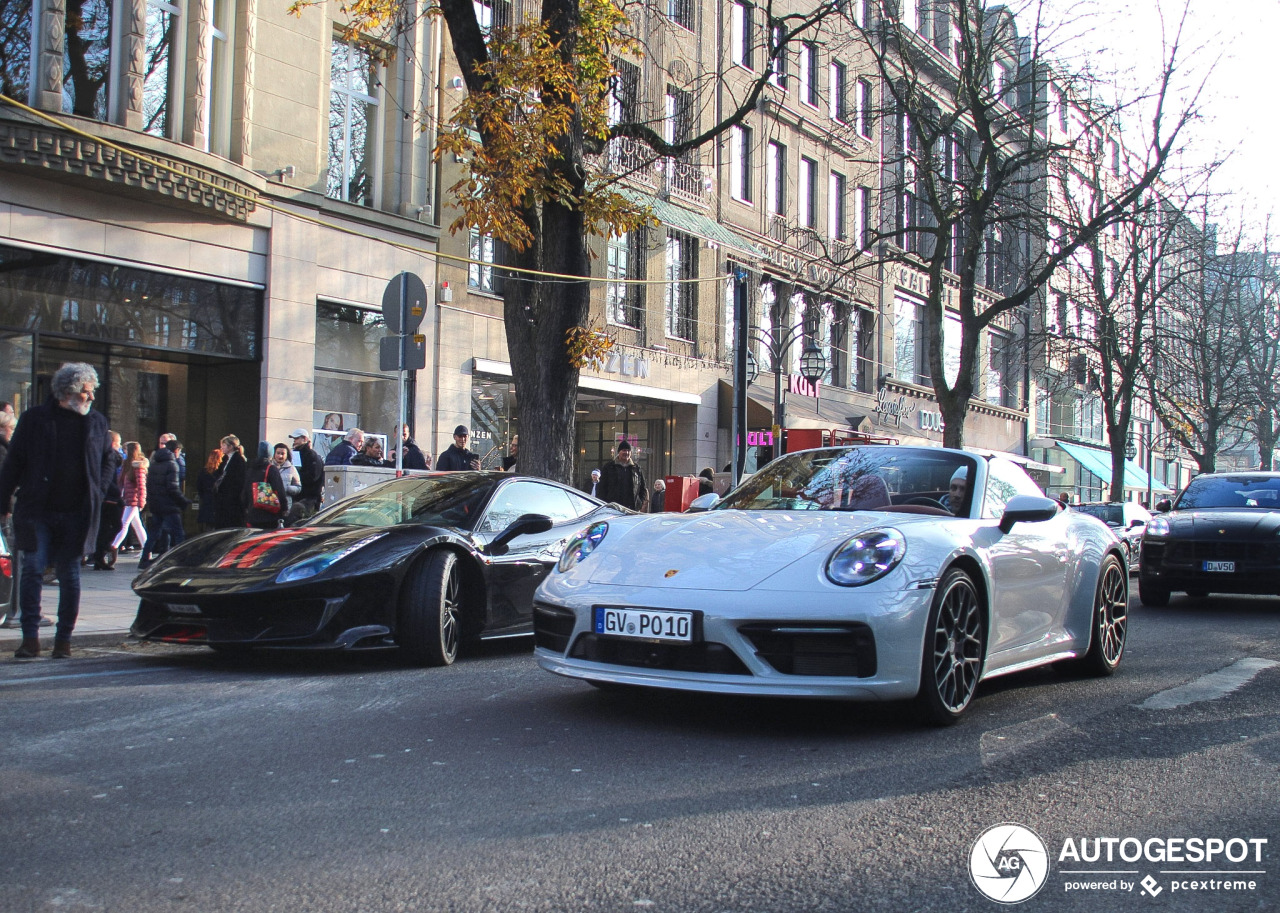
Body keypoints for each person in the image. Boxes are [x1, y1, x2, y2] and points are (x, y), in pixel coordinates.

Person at [0, 362, 111, 659]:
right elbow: (13, 464)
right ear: (68, 392)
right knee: (33, 569)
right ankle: (30, 638)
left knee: (69, 572)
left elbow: (108, 459)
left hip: (77, 512)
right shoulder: (35, 419)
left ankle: (64, 640)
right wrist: (2, 504)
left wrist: (98, 489)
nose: (90, 398)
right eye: (86, 392)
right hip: (38, 510)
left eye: (92, 392)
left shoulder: (97, 421)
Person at [139, 439, 190, 569]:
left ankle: (144, 558)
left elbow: (150, 485)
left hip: (156, 504)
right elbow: (172, 488)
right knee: (178, 533)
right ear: (176, 450)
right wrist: (183, 501)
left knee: (154, 532)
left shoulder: (155, 463)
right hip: (169, 505)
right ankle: (182, 560)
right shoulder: (172, 464)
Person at [91, 431, 124, 570]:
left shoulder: (99, 455)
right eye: (118, 443)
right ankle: (101, 551)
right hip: (109, 497)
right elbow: (108, 477)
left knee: (104, 528)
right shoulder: (110, 456)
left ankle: (99, 555)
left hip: (105, 496)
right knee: (116, 526)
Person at [110, 442, 149, 555]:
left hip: (133, 500)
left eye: (126, 450)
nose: (124, 452)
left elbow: (142, 486)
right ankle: (147, 550)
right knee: (137, 526)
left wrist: (141, 501)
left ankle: (114, 546)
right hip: (129, 499)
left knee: (124, 524)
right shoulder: (128, 465)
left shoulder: (138, 466)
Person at [244, 442, 288, 530]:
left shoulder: (251, 469)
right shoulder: (271, 469)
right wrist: (284, 508)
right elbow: (279, 490)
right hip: (269, 515)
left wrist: (247, 507)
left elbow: (245, 491)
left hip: (253, 514)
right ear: (271, 454)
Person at [597, 440, 648, 511]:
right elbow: (601, 488)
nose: (626, 453)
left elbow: (643, 488)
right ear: (619, 452)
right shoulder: (609, 467)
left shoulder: (636, 468)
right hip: (613, 509)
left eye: (628, 451)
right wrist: (605, 505)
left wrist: (639, 503)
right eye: (624, 450)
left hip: (632, 510)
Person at [287, 429, 325, 524]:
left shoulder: (311, 456)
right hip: (301, 497)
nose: (294, 441)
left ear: (304, 439)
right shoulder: (297, 455)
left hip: (309, 498)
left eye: (296, 438)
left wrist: (296, 478)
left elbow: (313, 476)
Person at [213, 434, 248, 529]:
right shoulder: (225, 460)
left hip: (232, 500)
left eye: (224, 445)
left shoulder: (238, 461)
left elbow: (239, 481)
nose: (221, 447)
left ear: (230, 446)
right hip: (224, 499)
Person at [195, 448, 222, 532]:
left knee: (208, 527)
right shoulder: (221, 472)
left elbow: (199, 487)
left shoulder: (204, 471)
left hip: (207, 500)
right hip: (218, 501)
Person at [272, 443, 302, 515]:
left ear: (287, 455)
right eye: (278, 453)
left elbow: (298, 487)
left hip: (285, 505)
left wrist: (288, 489)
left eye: (283, 453)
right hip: (270, 504)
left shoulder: (291, 468)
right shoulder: (269, 467)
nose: (280, 456)